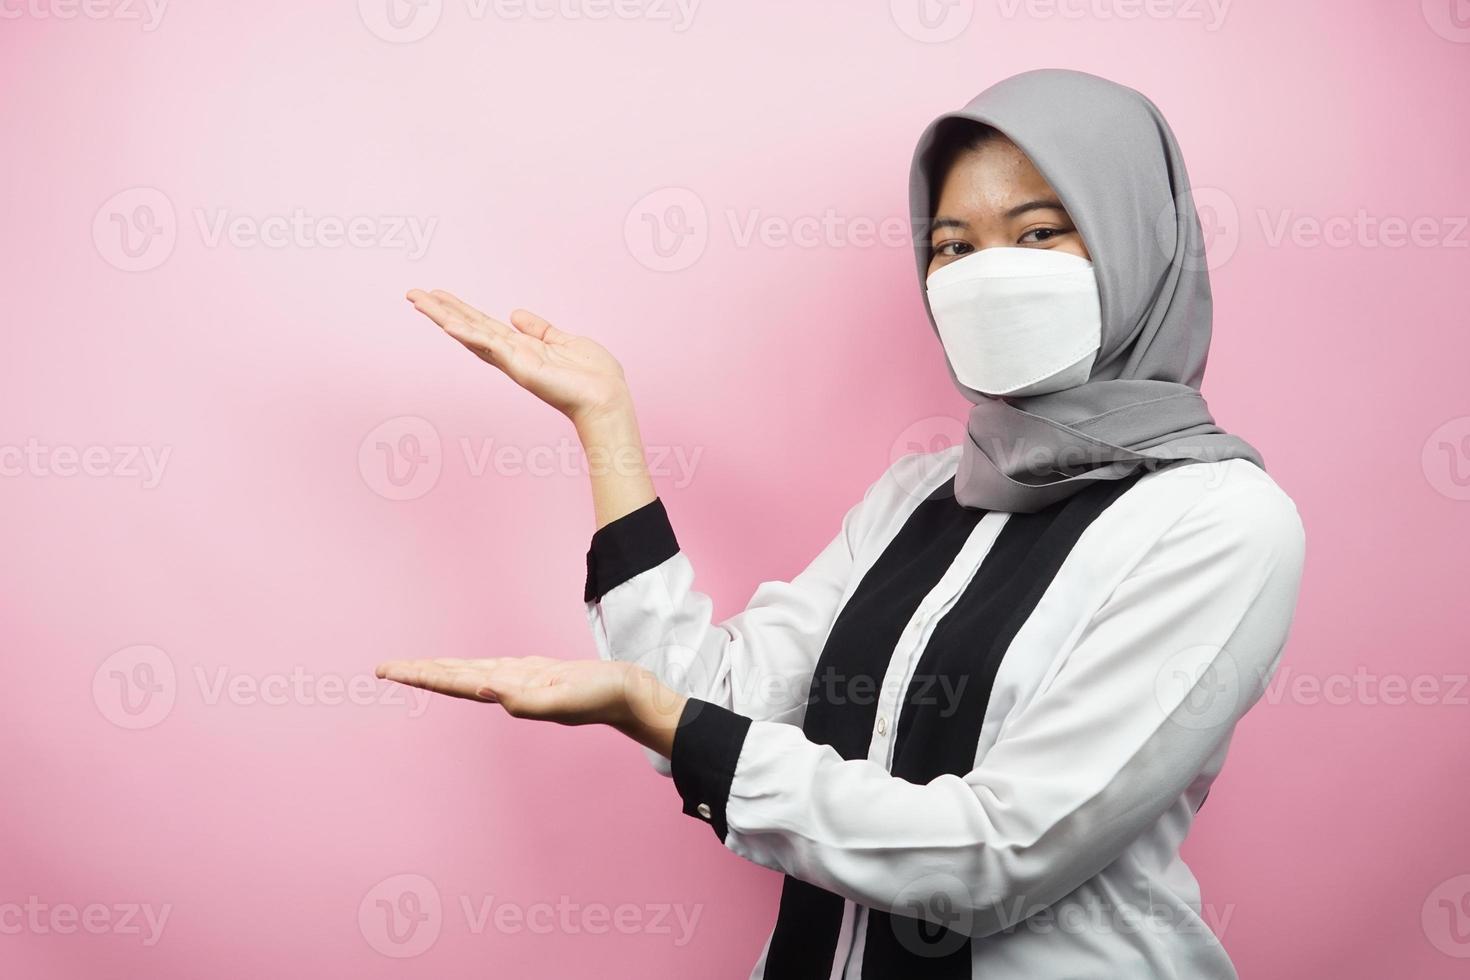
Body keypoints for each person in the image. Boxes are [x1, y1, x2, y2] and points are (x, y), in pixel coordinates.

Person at [376, 68, 1306, 979]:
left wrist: (675, 724)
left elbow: (999, 855)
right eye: (953, 247)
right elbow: (711, 698)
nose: (989, 276)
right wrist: (605, 422)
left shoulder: (1220, 522)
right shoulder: (919, 496)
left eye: (1039, 232)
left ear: (1138, 241)